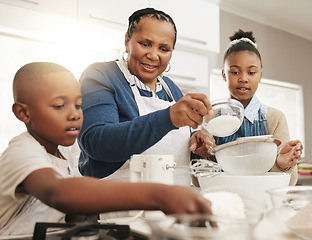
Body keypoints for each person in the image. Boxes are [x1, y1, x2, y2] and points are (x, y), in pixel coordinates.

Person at [0, 62, 212, 236]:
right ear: (23, 113)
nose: (75, 114)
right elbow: (59, 193)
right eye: (59, 106)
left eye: (78, 105)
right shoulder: (22, 150)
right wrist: (160, 195)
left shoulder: (61, 154)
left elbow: (72, 212)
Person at [78, 8, 213, 185]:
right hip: (116, 206)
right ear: (127, 41)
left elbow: (174, 151)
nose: (153, 55)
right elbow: (96, 142)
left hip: (173, 203)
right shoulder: (101, 75)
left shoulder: (171, 89)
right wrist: (168, 118)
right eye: (145, 44)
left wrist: (198, 143)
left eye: (164, 49)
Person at [206, 29, 303, 186]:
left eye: (251, 72)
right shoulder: (210, 118)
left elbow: (289, 183)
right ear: (224, 74)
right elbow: (196, 180)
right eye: (235, 72)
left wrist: (282, 164)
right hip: (222, 200)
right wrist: (207, 156)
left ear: (260, 76)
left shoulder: (274, 118)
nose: (243, 78)